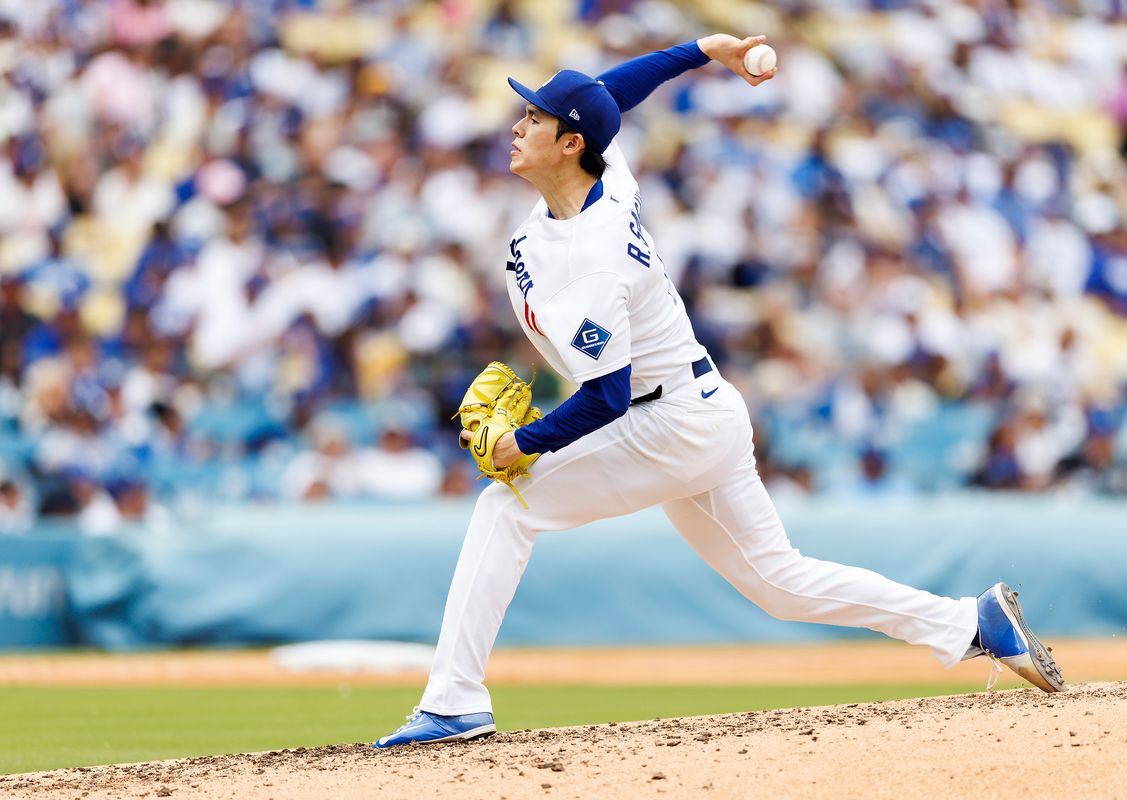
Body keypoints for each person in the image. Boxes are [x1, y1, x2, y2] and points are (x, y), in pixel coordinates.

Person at [373, 34, 1064, 748]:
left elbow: (605, 398)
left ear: (570, 144)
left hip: (664, 422)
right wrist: (701, 48)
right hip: (699, 410)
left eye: (534, 119)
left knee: (503, 507)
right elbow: (610, 93)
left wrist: (523, 441)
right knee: (780, 583)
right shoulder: (609, 178)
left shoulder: (592, 259)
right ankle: (967, 622)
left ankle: (454, 699)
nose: (517, 125)